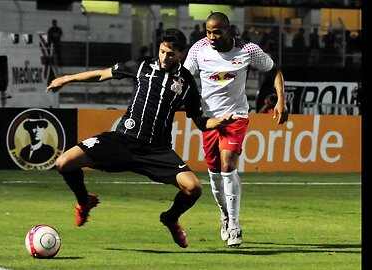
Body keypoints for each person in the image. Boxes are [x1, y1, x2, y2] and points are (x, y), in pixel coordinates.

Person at [46, 28, 238, 249]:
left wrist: (219, 122)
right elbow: (102, 74)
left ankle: (170, 217)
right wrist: (67, 79)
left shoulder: (185, 83)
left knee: (194, 188)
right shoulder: (141, 67)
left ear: (181, 54)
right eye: (163, 51)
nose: (165, 57)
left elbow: (201, 122)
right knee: (64, 163)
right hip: (122, 141)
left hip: (156, 151)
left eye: (171, 53)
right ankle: (84, 202)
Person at [184, 12, 288, 248]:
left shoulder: (248, 50)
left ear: (229, 30)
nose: (211, 36)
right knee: (214, 174)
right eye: (208, 31)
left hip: (236, 116)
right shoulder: (198, 50)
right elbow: (183, 78)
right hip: (209, 119)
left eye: (217, 31)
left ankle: (234, 225)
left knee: (227, 166)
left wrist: (281, 100)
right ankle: (224, 215)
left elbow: (274, 70)